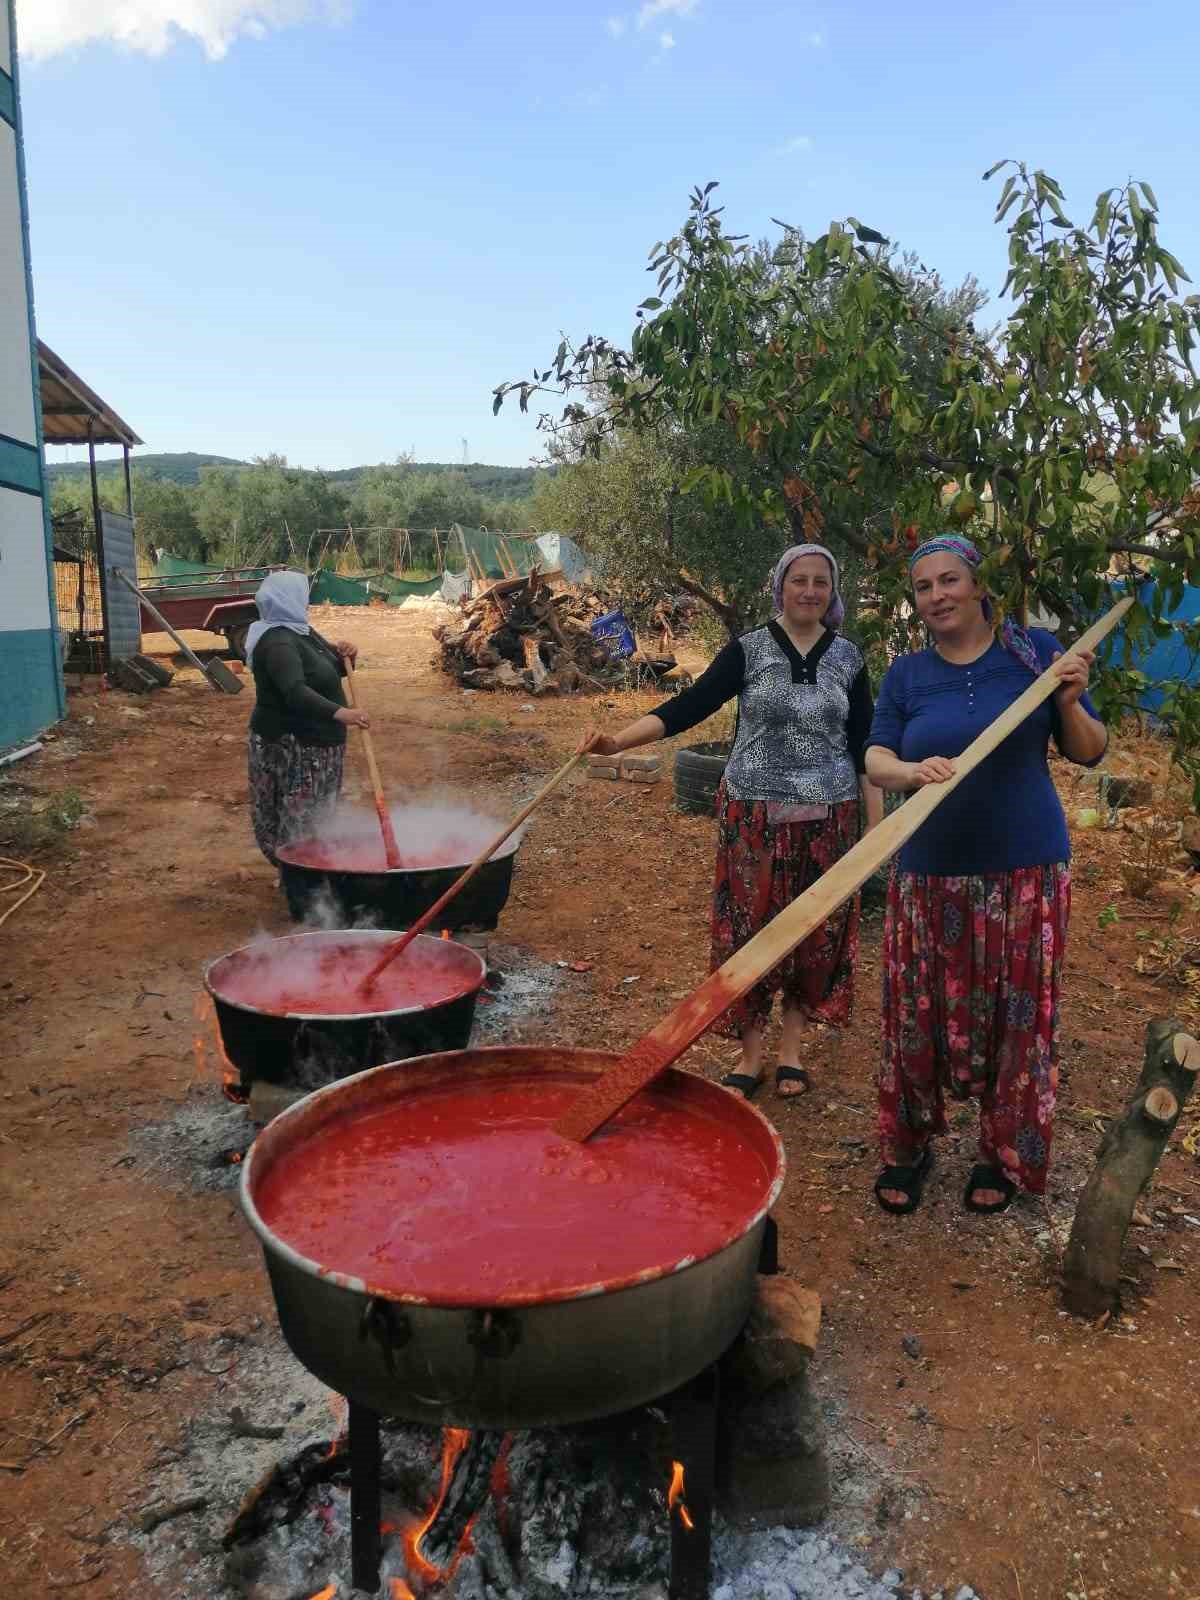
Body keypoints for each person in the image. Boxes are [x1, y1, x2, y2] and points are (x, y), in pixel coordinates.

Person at [583, 544, 883, 1100]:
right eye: (800, 580)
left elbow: (866, 743)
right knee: (748, 930)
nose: (811, 591)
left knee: (814, 931)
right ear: (780, 586)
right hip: (755, 818)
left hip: (831, 818)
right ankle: (751, 1054)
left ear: (832, 591)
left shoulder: (848, 658)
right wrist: (617, 741)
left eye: (822, 581)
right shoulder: (748, 650)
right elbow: (689, 707)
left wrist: (874, 826)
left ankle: (792, 1049)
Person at [864, 534, 1107, 1216]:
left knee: (1018, 1020)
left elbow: (1091, 751)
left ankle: (1001, 1154)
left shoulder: (1034, 656)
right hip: (929, 870)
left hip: (1026, 870)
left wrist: (1068, 702)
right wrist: (913, 772)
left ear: (976, 586)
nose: (937, 595)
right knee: (915, 1016)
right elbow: (876, 757)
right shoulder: (907, 673)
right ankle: (908, 1146)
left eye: (949, 581)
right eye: (923, 587)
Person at [245, 569, 367, 869]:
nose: (307, 602)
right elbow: (295, 693)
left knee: (314, 815)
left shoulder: (301, 631)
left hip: (318, 743)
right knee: (297, 816)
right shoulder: (278, 642)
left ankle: (308, 872)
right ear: (290, 598)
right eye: (303, 596)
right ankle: (297, 874)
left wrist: (348, 656)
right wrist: (343, 714)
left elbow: (327, 671)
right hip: (293, 743)